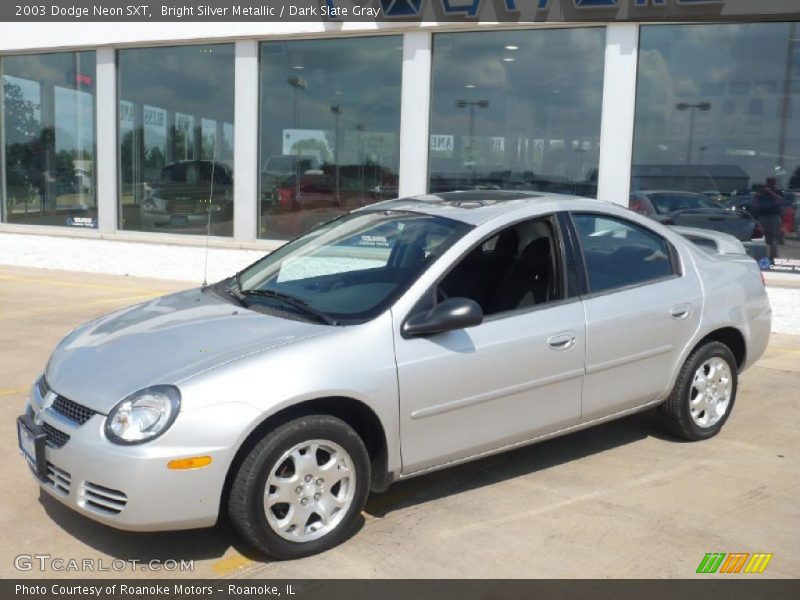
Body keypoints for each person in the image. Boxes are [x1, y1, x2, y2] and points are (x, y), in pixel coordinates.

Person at [755, 177, 783, 260]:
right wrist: (758, 195)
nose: (768, 184)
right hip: (762, 216)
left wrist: (770, 192)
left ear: (774, 183)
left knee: (773, 237)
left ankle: (773, 256)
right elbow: (756, 202)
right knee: (762, 236)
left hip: (773, 216)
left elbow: (780, 200)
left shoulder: (777, 192)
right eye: (768, 182)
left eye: (771, 182)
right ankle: (761, 255)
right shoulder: (762, 192)